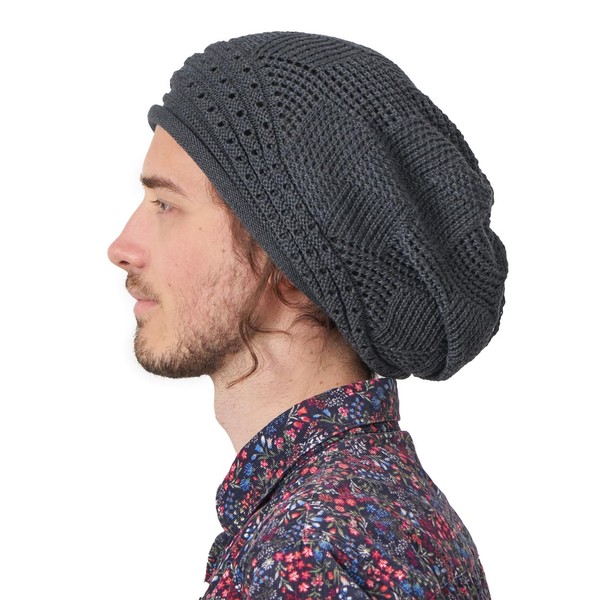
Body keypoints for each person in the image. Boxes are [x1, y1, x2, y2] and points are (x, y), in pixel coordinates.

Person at [108, 31, 507, 599]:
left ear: (289, 259)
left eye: (166, 204)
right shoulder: (362, 503)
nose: (122, 247)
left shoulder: (312, 549)